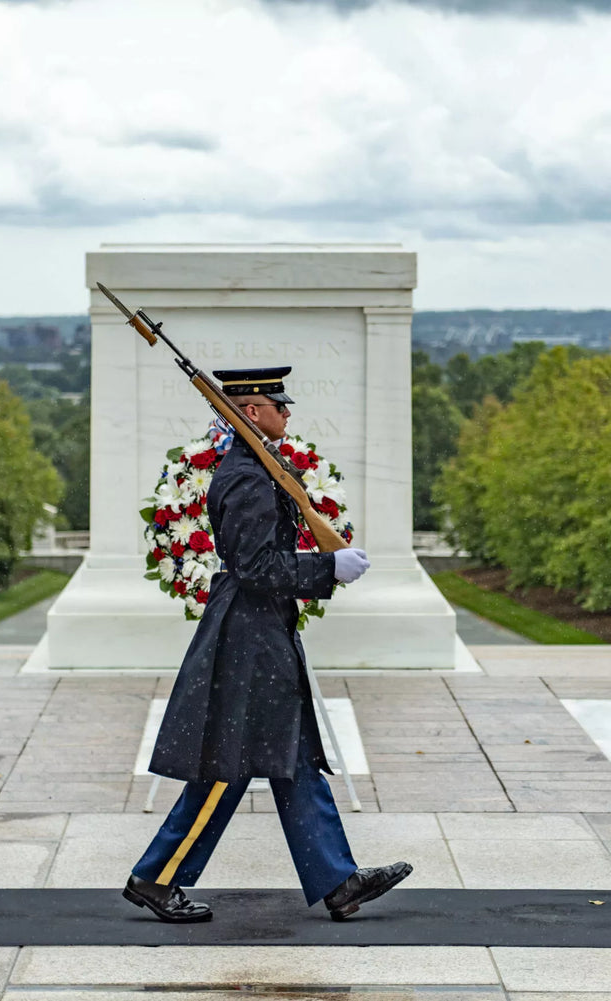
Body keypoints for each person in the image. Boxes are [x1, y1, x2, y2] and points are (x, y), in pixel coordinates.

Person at [123, 365, 412, 924]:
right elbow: (256, 566)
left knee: (292, 756)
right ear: (251, 412)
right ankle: (157, 878)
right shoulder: (249, 478)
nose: (287, 412)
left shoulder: (258, 467)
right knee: (229, 766)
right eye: (278, 404)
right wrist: (327, 567)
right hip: (249, 636)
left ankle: (338, 881)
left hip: (260, 627)